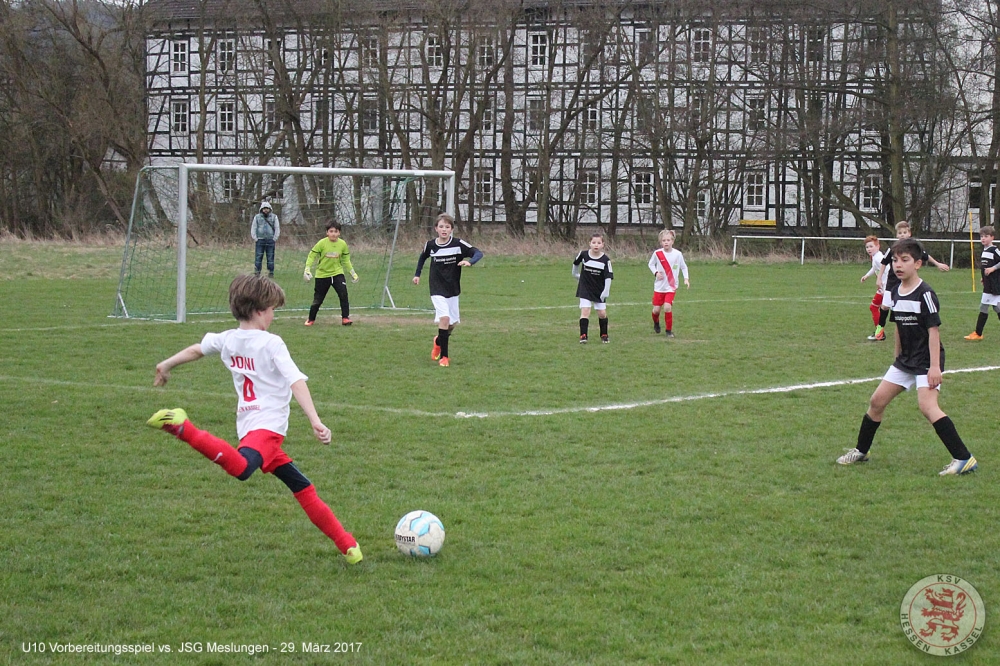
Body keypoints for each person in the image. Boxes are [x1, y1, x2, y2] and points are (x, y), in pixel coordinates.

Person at [146, 274, 363, 564]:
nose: (273, 315)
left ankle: (347, 545)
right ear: (260, 310)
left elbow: (197, 349)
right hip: (267, 427)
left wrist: (166, 364)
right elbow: (296, 381)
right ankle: (183, 428)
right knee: (242, 468)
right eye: (272, 309)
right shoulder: (272, 343)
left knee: (303, 488)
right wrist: (315, 420)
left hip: (250, 427)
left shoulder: (229, 338)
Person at [837, 238, 977, 476]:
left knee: (928, 406)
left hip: (926, 361)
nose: (898, 265)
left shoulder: (925, 294)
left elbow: (934, 332)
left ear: (918, 264)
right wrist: (896, 358)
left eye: (904, 260)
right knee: (876, 401)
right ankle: (861, 451)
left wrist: (935, 367)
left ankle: (964, 458)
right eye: (894, 260)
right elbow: (899, 329)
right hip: (905, 360)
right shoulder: (895, 292)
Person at [412, 213, 483, 367]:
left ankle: (438, 341)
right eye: (441, 226)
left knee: (452, 323)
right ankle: (444, 357)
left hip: (452, 289)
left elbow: (478, 253)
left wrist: (470, 262)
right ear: (436, 229)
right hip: (436, 288)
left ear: (451, 229)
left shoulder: (458, 244)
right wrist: (417, 275)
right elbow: (422, 257)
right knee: (444, 318)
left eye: (447, 227)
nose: (444, 229)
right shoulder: (430, 245)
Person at [874, 220, 950, 337]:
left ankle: (903, 329)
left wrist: (938, 264)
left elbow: (925, 256)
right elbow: (884, 263)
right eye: (900, 233)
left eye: (904, 232)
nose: (902, 235)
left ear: (909, 233)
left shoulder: (914, 248)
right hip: (892, 283)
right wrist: (879, 278)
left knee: (900, 307)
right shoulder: (893, 248)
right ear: (897, 235)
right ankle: (880, 328)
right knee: (885, 306)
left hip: (906, 283)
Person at [303, 221, 359, 327]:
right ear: (327, 233)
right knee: (318, 299)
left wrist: (353, 273)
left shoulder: (342, 244)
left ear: (339, 233)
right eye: (331, 231)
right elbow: (311, 256)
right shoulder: (321, 243)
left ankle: (345, 318)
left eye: (336, 231)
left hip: (338, 273)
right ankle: (311, 319)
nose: (333, 234)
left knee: (343, 294)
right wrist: (307, 269)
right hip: (322, 275)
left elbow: (346, 260)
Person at [647, 229, 689, 338]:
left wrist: (686, 278)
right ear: (661, 242)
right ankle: (656, 323)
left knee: (667, 307)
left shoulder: (678, 254)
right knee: (656, 310)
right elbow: (650, 264)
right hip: (659, 287)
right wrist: (656, 273)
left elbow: (684, 267)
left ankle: (668, 331)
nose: (666, 242)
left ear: (672, 241)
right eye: (664, 240)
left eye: (668, 240)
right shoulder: (657, 253)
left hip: (671, 286)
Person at [572, 232, 613, 344]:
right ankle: (583, 336)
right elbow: (576, 263)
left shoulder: (605, 260)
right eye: (594, 242)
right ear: (589, 243)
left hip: (599, 289)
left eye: (599, 243)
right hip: (585, 287)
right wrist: (575, 274)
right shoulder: (583, 254)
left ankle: (604, 335)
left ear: (603, 244)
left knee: (602, 313)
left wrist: (606, 290)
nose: (596, 245)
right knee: (585, 310)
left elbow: (609, 276)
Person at [964, 225, 1000, 341]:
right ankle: (978, 333)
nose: (983, 238)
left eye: (986, 236)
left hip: (994, 285)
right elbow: (985, 267)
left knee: (984, 307)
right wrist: (984, 278)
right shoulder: (985, 251)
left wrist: (993, 268)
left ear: (992, 237)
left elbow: (994, 266)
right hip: (989, 284)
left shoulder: (994, 250)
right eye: (981, 236)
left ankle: (978, 333)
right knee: (996, 308)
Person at [860, 235, 888, 341]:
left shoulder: (879, 258)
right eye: (867, 247)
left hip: (886, 289)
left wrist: (883, 284)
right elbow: (875, 268)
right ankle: (880, 333)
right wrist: (866, 276)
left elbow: (888, 269)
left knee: (876, 308)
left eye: (871, 246)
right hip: (883, 288)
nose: (869, 249)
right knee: (874, 307)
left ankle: (880, 333)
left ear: (878, 246)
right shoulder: (876, 257)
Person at [251, 201, 280, 277]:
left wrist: (274, 238)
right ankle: (257, 272)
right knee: (258, 257)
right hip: (260, 240)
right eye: (264, 208)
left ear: (270, 209)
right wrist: (255, 238)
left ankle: (271, 272)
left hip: (270, 240)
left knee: (270, 257)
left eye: (267, 208)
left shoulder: (274, 217)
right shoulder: (257, 217)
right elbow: (253, 227)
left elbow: (277, 228)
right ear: (261, 209)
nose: (266, 210)